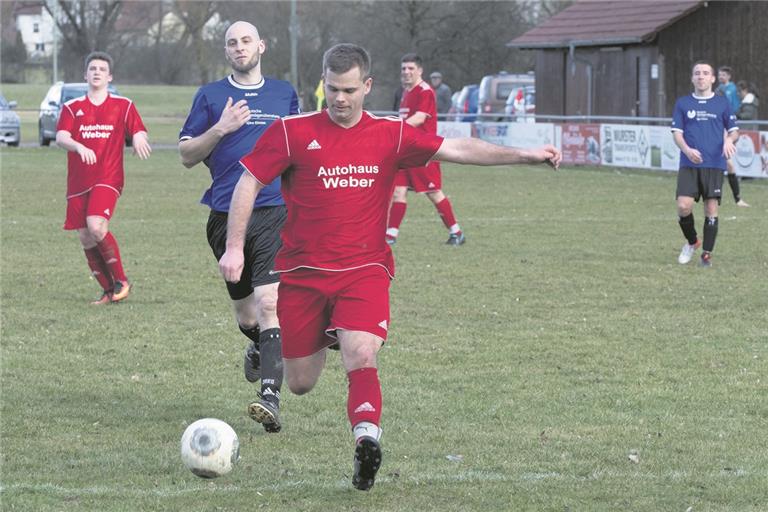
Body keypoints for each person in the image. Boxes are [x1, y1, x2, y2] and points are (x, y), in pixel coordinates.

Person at [218, 43, 561, 491]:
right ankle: (304, 338)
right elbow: (249, 180)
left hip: (365, 271)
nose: (340, 99)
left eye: (349, 90)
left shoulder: (390, 133)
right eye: (333, 89)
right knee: (300, 383)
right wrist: (235, 247)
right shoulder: (291, 131)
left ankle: (366, 440)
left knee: (362, 353)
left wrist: (524, 155)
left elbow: (457, 148)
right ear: (324, 83)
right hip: (302, 275)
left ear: (368, 86)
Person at [178, 21, 299, 433]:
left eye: (246, 40)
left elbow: (299, 149)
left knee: (270, 304)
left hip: (272, 211)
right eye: (232, 42)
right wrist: (221, 128)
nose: (239, 47)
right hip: (224, 217)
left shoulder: (285, 94)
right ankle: (258, 348)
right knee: (247, 313)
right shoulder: (210, 96)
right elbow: (186, 155)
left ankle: (270, 396)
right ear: (226, 51)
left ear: (261, 45)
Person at [55, 51, 151, 305]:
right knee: (86, 236)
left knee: (97, 226)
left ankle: (122, 281)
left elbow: (138, 128)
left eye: (101, 69)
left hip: (108, 177)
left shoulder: (123, 105)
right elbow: (61, 137)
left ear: (110, 76)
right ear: (85, 74)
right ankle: (109, 291)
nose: (97, 72)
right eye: (92, 68)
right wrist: (78, 146)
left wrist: (139, 136)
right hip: (78, 182)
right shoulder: (72, 107)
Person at [386, 53, 465, 246]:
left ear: (420, 71)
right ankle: (390, 236)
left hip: (424, 151)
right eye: (403, 68)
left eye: (411, 68)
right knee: (398, 191)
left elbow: (420, 118)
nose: (406, 72)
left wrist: (395, 129)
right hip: (406, 152)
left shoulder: (425, 91)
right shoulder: (405, 92)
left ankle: (457, 232)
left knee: (434, 192)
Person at [672, 61, 738, 268]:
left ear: (712, 79)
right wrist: (687, 151)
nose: (701, 76)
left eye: (705, 73)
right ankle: (692, 242)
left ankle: (706, 255)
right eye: (697, 73)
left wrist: (729, 140)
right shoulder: (682, 103)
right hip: (689, 163)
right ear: (692, 78)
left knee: (711, 208)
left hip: (714, 163)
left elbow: (734, 130)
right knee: (684, 206)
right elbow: (677, 133)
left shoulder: (722, 103)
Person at [716, 66, 749, 207]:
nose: (720, 77)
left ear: (728, 76)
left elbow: (737, 106)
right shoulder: (718, 89)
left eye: (723, 74)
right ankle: (720, 197)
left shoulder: (732, 89)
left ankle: (734, 198)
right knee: (725, 163)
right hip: (719, 126)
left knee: (727, 163)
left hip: (727, 126)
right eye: (719, 74)